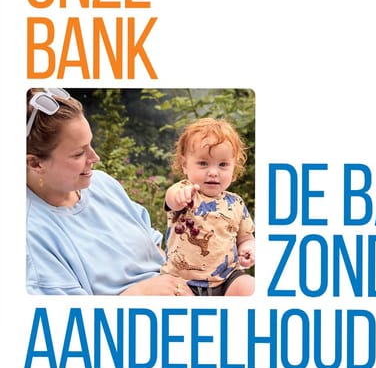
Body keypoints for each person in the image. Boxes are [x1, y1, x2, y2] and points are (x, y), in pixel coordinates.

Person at [24, 87, 190, 297]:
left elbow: (155, 248)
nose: (95, 157)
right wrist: (138, 295)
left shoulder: (103, 184)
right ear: (35, 163)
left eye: (90, 145)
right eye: (78, 154)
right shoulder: (32, 235)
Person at [153, 118, 258, 297]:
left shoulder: (237, 203)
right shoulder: (183, 190)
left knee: (249, 285)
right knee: (168, 294)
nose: (213, 172)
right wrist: (180, 198)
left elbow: (245, 237)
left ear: (234, 169)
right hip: (182, 281)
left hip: (227, 279)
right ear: (185, 165)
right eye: (203, 163)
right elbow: (172, 200)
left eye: (223, 165)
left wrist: (248, 248)